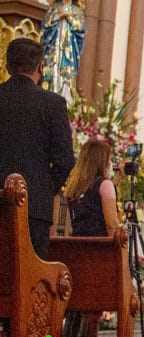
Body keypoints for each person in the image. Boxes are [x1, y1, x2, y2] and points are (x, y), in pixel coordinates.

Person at [0, 38, 75, 259]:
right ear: (40, 67)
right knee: (29, 273)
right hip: (35, 209)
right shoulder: (53, 104)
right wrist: (43, 189)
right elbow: (65, 160)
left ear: (7, 66)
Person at [64, 140, 119, 237]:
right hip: (99, 242)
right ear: (102, 162)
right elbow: (111, 225)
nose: (111, 164)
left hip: (77, 241)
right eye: (109, 159)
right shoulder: (105, 184)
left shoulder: (74, 187)